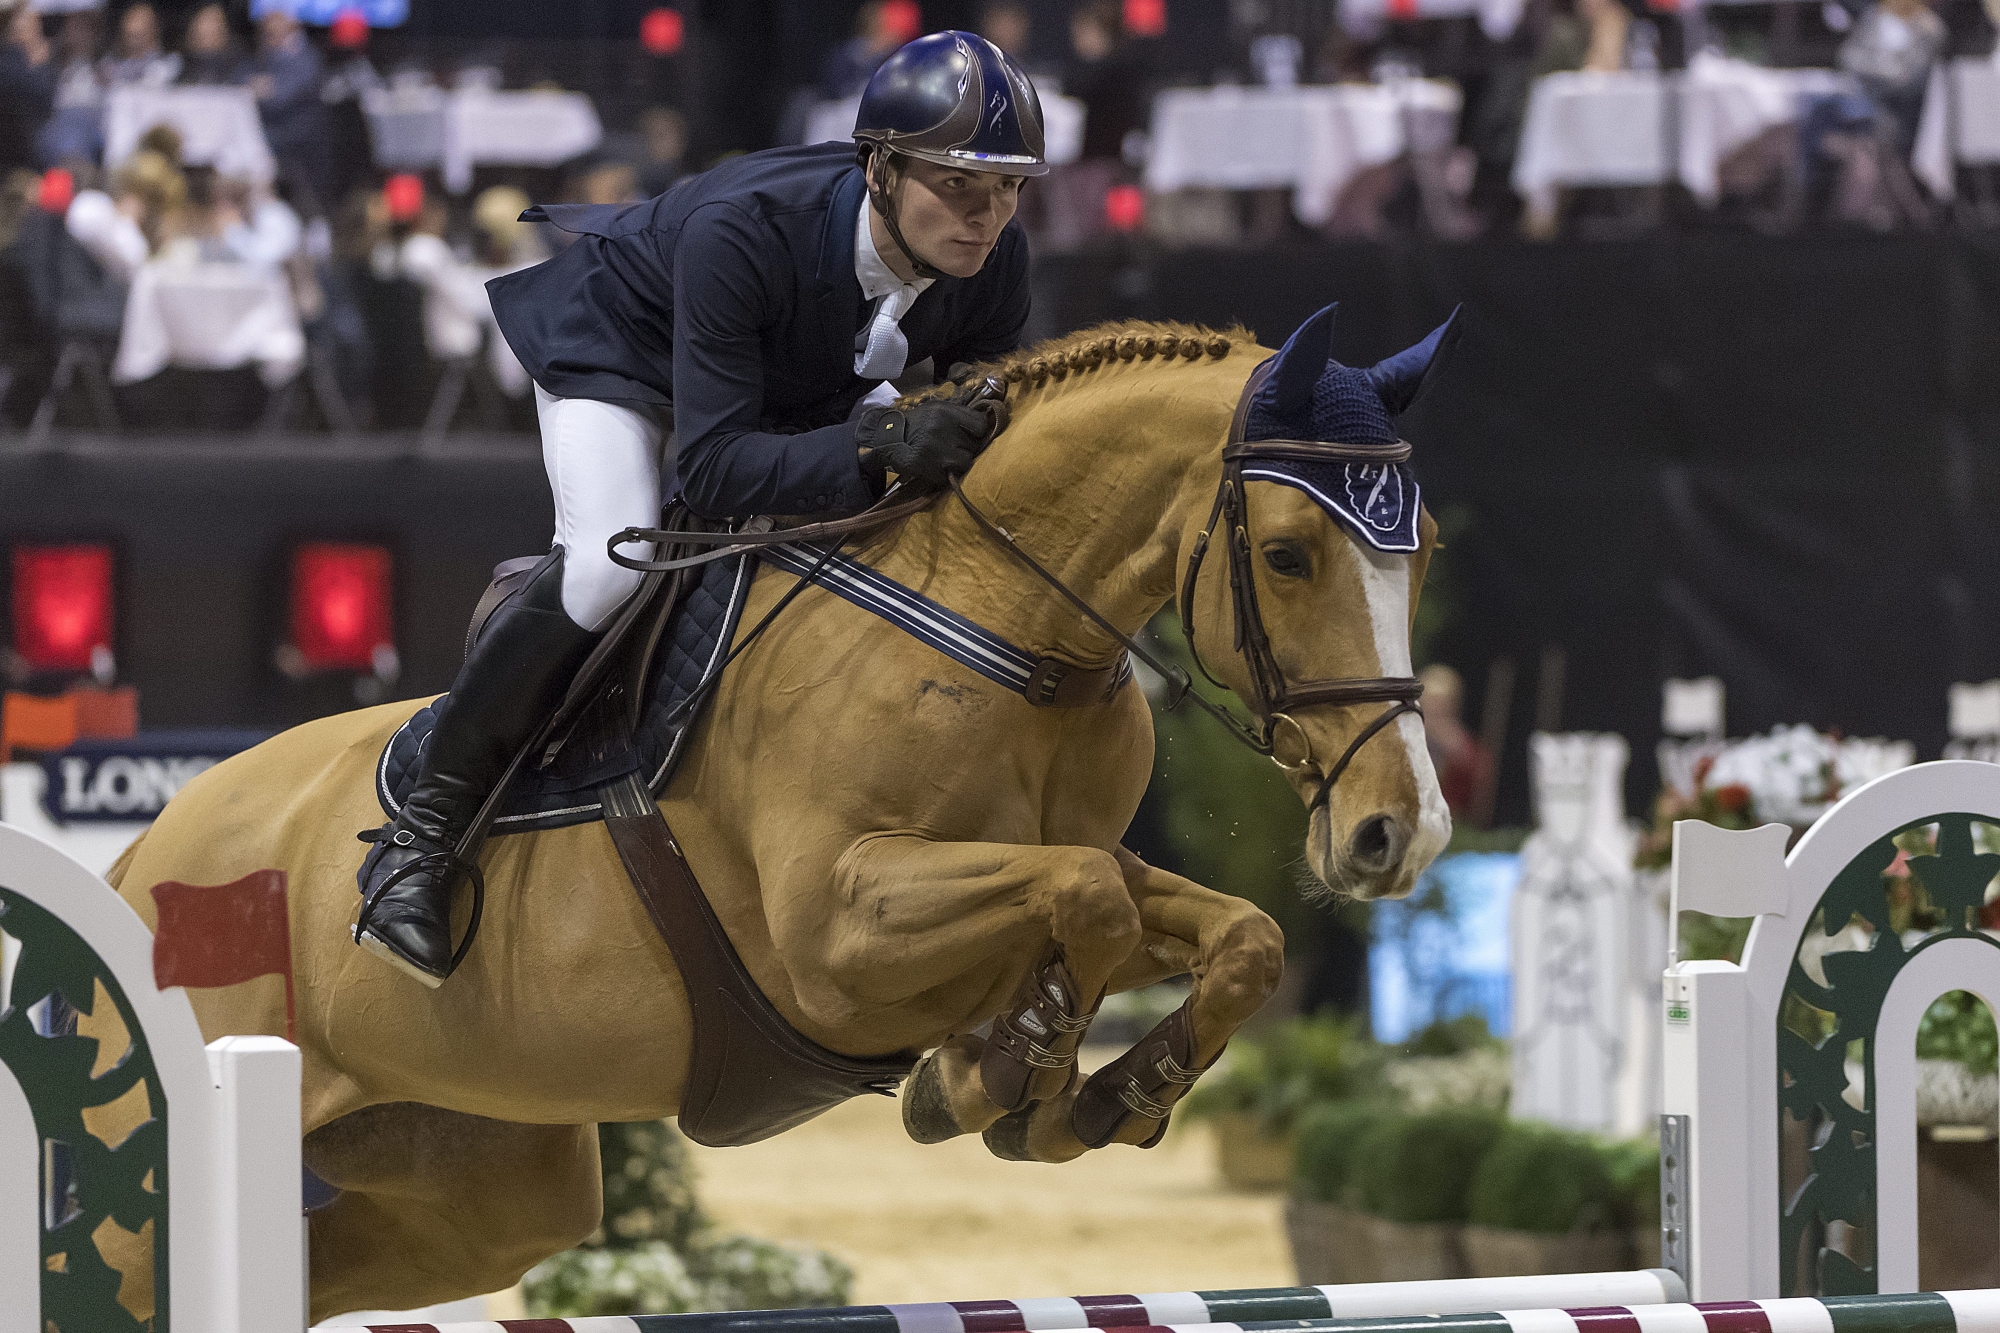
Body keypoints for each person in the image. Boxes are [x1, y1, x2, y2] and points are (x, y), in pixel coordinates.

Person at [353, 30, 1047, 986]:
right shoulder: (746, 226)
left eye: (1009, 187)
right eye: (959, 185)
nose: (986, 216)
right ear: (881, 169)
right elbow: (715, 470)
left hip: (798, 368)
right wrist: (881, 444)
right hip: (629, 352)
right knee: (613, 560)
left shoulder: (995, 258)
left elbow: (985, 412)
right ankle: (421, 835)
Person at [101, 4, 182, 88]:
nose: (133, 28)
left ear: (154, 30)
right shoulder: (109, 65)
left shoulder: (170, 64)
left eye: (138, 36)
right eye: (130, 35)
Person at [178, 3, 245, 86]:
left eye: (214, 21)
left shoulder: (237, 61)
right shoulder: (181, 62)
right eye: (204, 21)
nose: (208, 27)